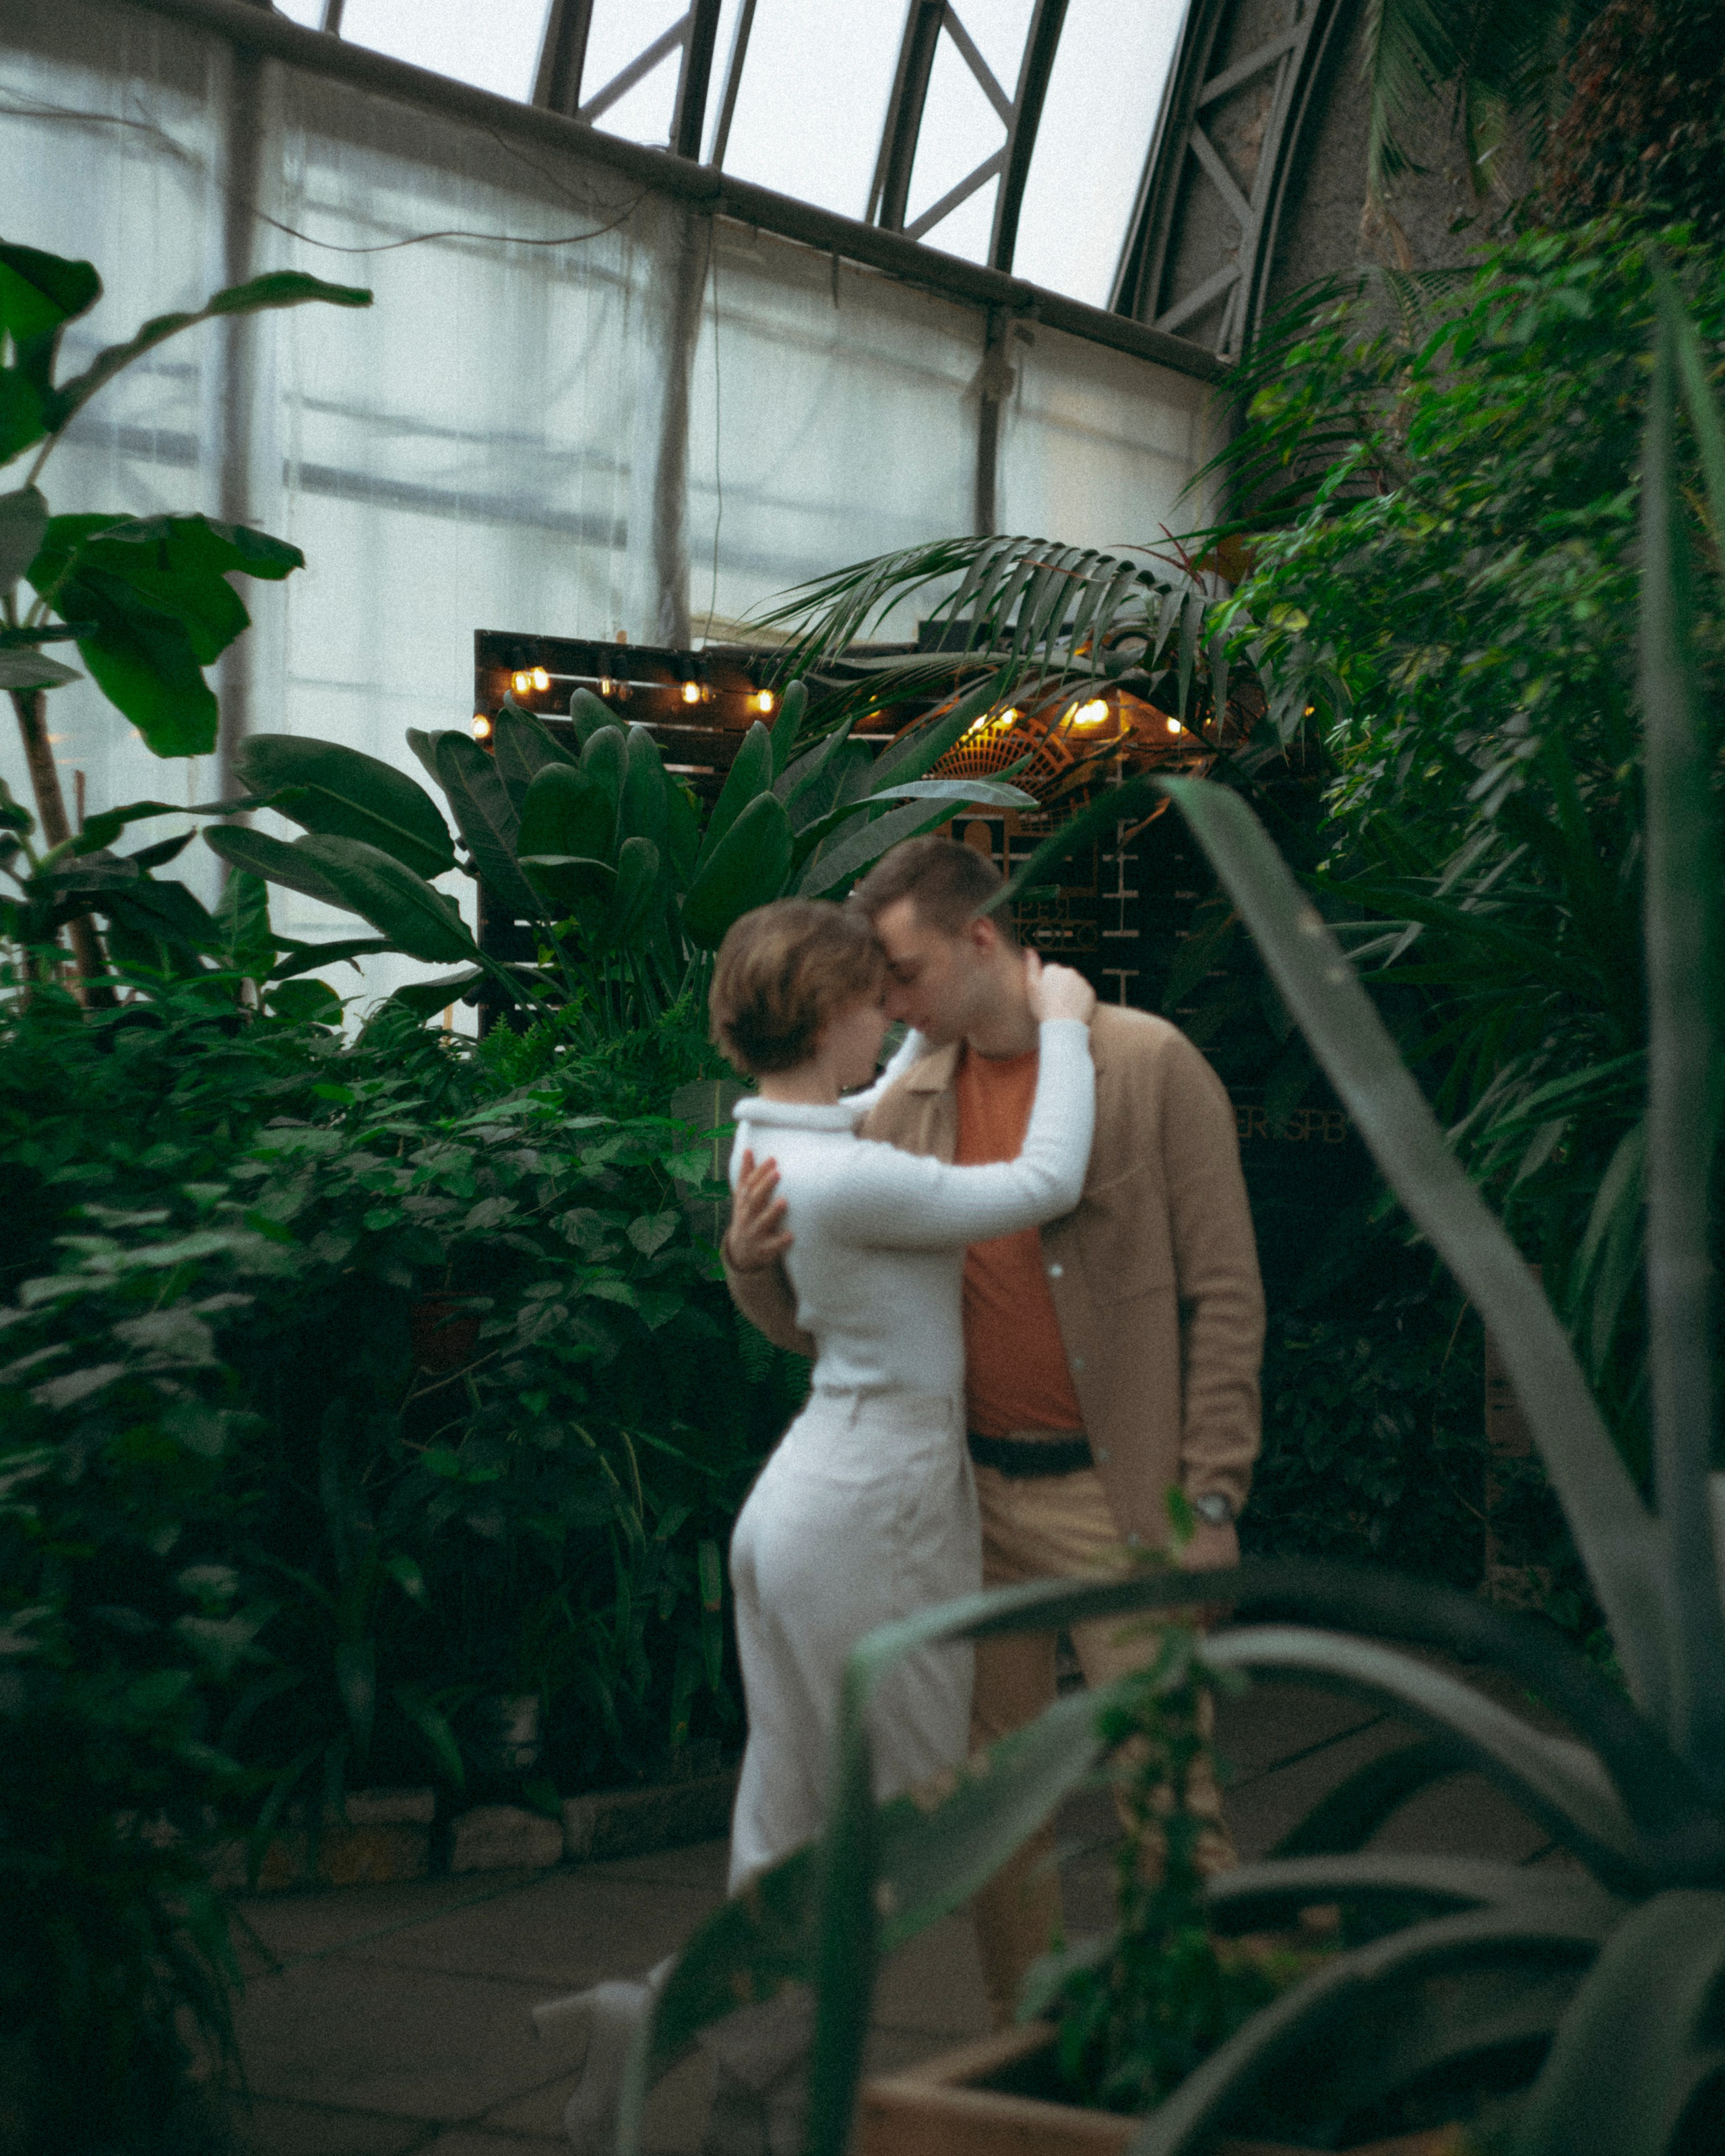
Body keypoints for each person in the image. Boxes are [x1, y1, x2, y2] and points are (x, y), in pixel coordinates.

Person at [540, 895, 1098, 2156]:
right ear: (833, 1010)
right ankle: (703, 2036)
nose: (892, 1015)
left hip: (809, 1507)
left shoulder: (771, 1141)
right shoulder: (853, 1177)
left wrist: (929, 1037)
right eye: (875, 999)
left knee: (786, 1830)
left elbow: (867, 1107)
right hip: (874, 1515)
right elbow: (1044, 1181)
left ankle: (761, 2102)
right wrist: (1061, 1023)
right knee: (904, 1831)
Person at [724, 835, 1264, 2031]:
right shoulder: (905, 1099)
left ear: (981, 940)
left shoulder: (1147, 1065)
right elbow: (827, 1314)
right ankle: (1030, 2052)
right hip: (968, 1509)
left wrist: (1215, 1496)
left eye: (904, 973)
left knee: (1169, 1800)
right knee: (992, 1815)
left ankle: (1206, 2058)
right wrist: (748, 1262)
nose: (888, 1004)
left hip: (1121, 1507)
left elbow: (1227, 1295)